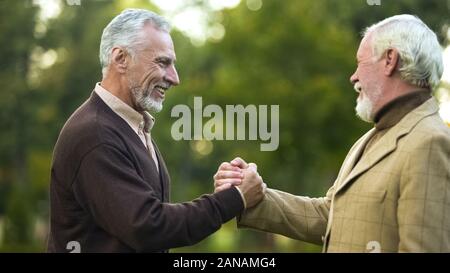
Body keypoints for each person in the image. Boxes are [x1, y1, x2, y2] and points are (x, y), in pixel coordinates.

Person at [214, 14, 450, 252]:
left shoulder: (430, 142)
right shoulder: (370, 139)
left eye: (360, 63)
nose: (354, 76)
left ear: (390, 60)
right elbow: (331, 215)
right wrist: (251, 196)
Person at [47, 8, 265, 253]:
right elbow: (148, 226)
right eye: (163, 62)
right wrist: (235, 198)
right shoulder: (95, 135)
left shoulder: (130, 126)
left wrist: (227, 192)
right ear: (120, 59)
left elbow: (148, 217)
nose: (174, 78)